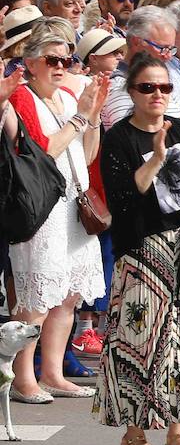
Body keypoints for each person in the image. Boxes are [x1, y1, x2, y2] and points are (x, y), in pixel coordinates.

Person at [95, 53, 180, 445]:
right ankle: (133, 436)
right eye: (147, 87)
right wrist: (154, 158)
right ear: (131, 92)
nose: (157, 95)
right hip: (141, 251)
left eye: (165, 87)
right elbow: (124, 200)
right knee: (140, 342)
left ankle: (177, 431)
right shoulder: (118, 139)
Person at [2, 26, 110, 402]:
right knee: (36, 298)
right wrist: (80, 119)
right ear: (31, 63)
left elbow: (88, 153)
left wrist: (92, 117)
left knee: (68, 295)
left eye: (67, 59)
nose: (61, 67)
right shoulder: (22, 97)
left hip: (73, 205)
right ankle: (22, 377)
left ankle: (51, 372)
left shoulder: (67, 97)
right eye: (52, 60)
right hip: (41, 206)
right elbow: (42, 151)